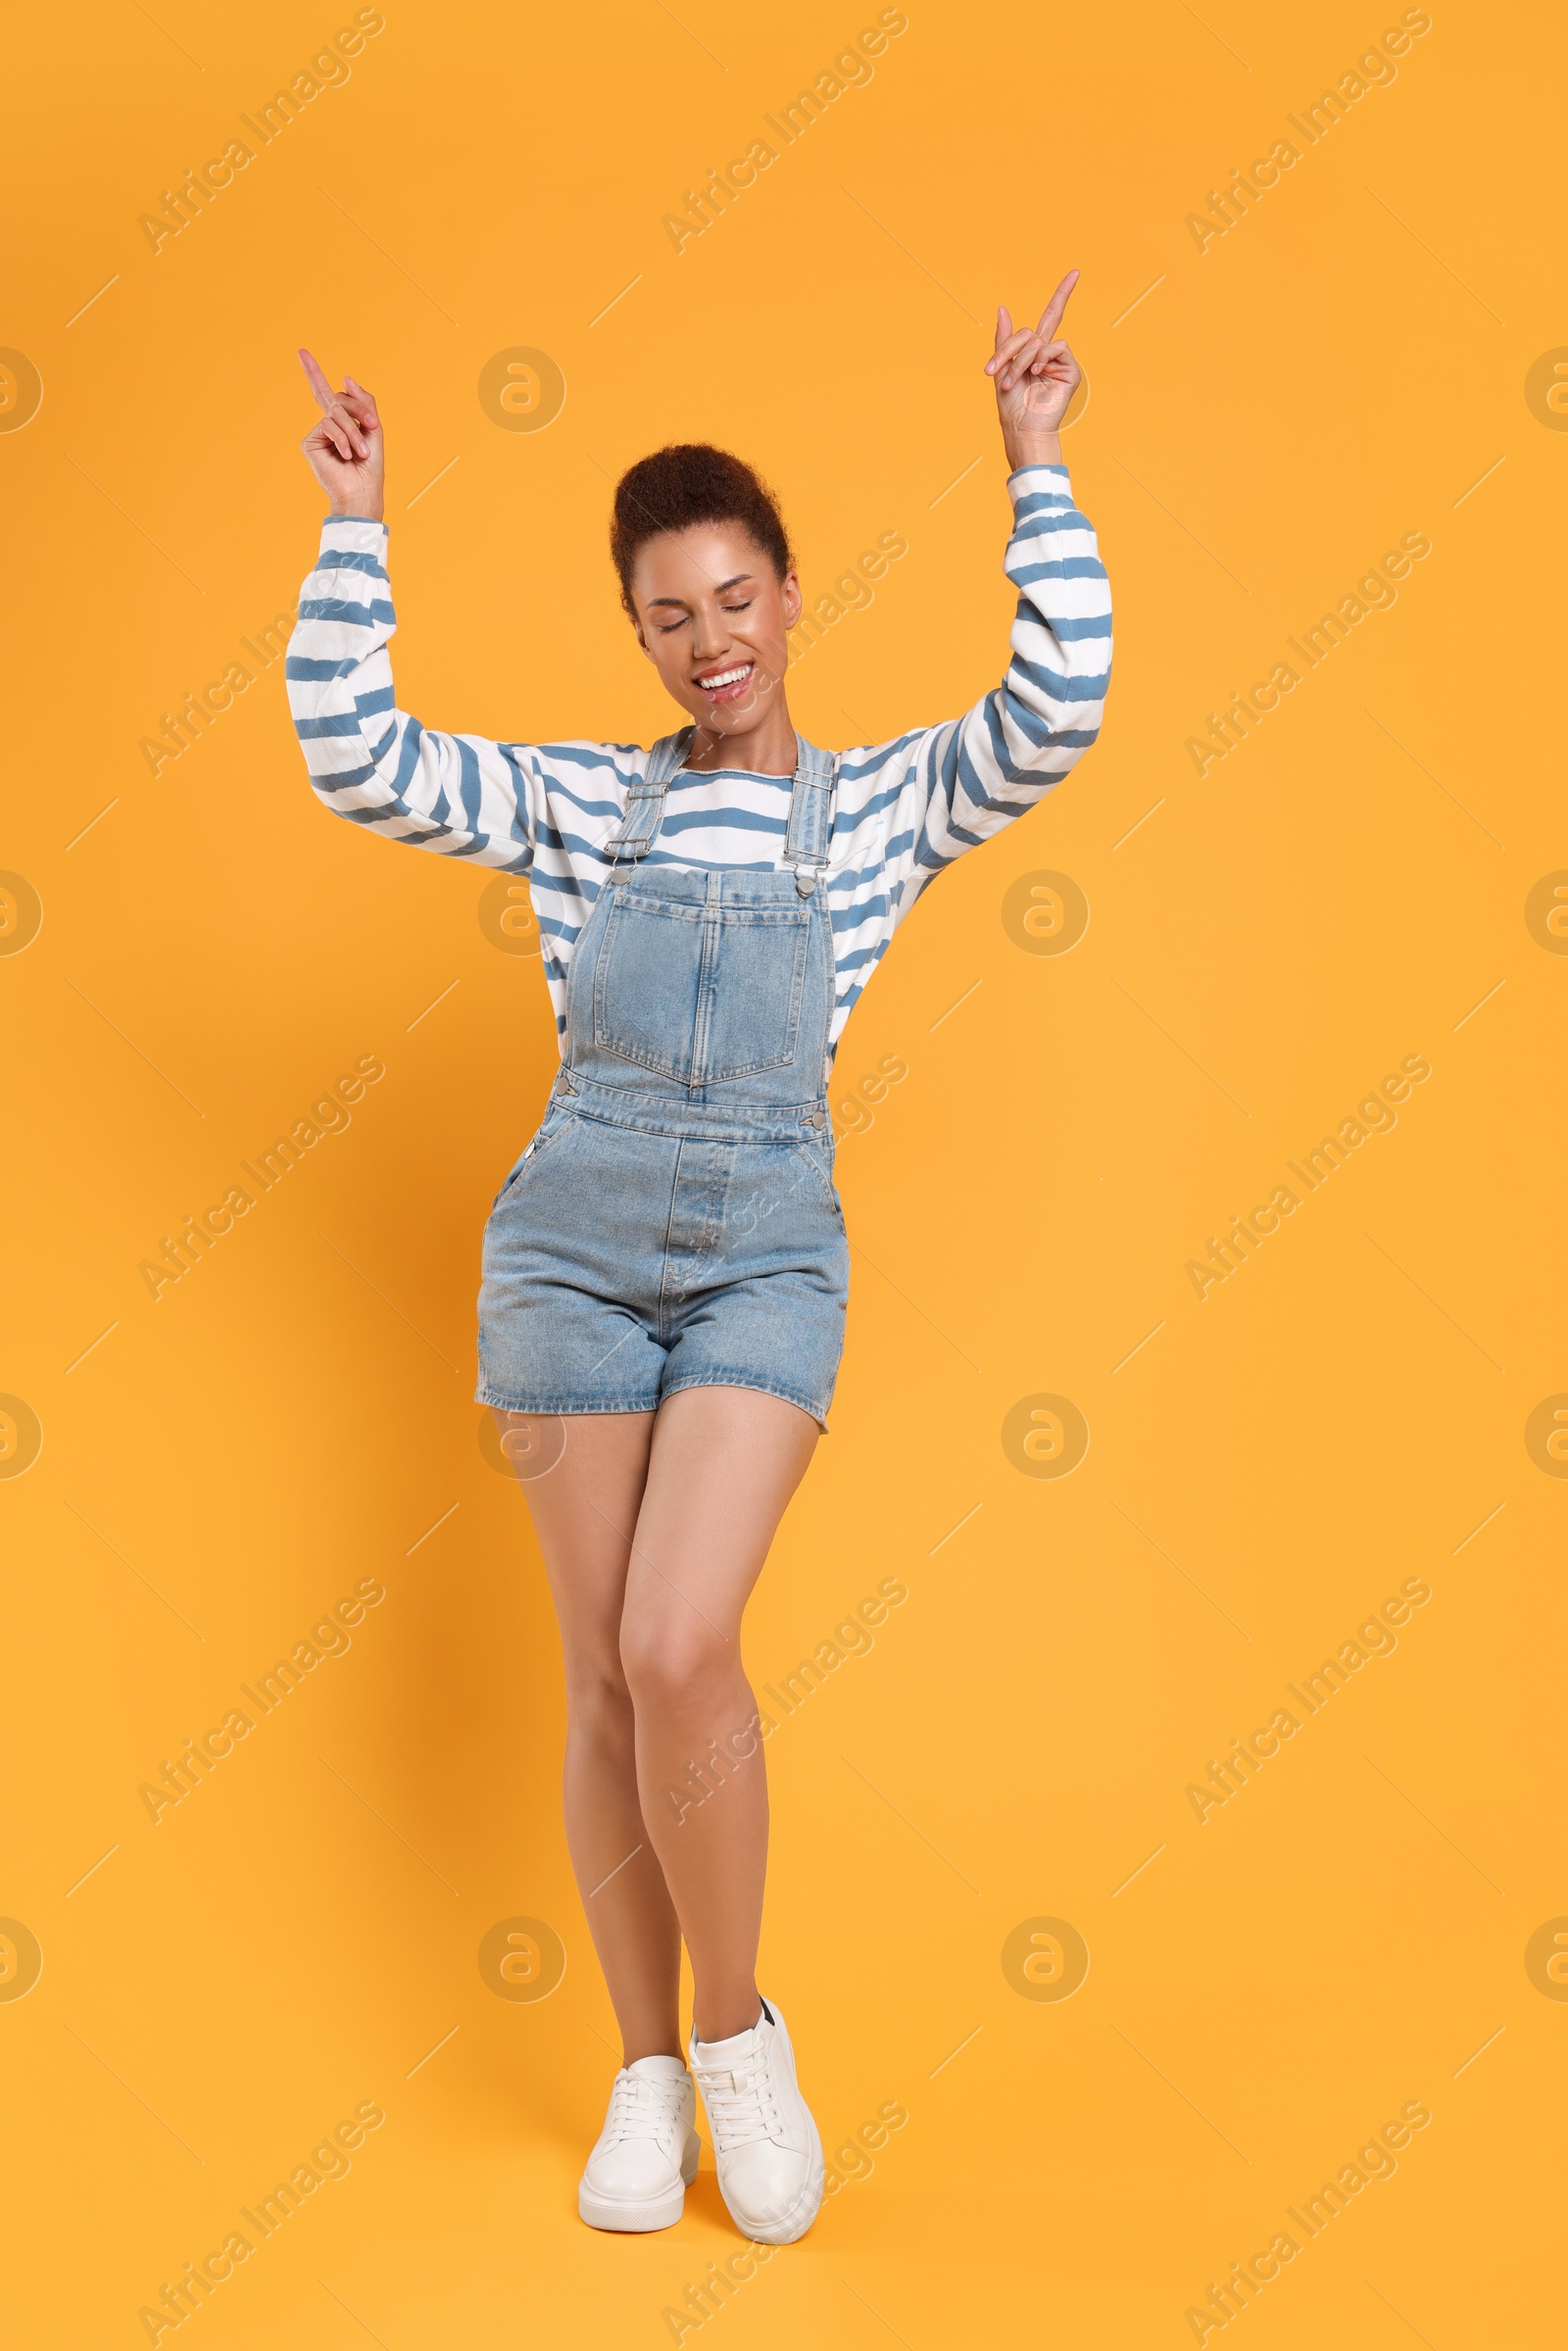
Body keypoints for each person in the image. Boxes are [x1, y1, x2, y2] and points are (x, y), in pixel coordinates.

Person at [287, 272, 1109, 2244]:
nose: (705, 640)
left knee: (679, 1647)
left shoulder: (883, 805)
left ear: (789, 594)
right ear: (638, 635)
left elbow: (1055, 709)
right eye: (667, 614)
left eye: (732, 597)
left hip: (761, 1262)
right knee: (596, 1686)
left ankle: (739, 2047)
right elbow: (361, 761)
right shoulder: (585, 801)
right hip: (562, 1264)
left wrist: (1034, 471)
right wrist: (350, 530)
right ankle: (641, 2083)